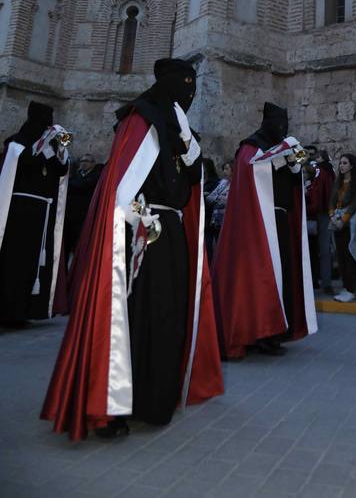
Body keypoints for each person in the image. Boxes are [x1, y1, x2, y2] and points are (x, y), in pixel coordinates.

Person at [41, 58, 223, 440]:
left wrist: (187, 137)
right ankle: (115, 405)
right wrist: (147, 219)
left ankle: (154, 399)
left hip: (170, 234)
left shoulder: (174, 125)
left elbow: (192, 174)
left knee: (166, 316)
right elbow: (123, 193)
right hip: (143, 237)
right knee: (137, 317)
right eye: (184, 84)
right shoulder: (143, 122)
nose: (189, 92)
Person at [211, 102, 317, 359]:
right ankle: (257, 334)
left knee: (282, 277)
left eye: (286, 124)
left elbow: (305, 170)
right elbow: (251, 174)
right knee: (261, 279)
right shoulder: (251, 147)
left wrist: (297, 163)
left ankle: (275, 333)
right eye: (279, 124)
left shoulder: (286, 145)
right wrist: (277, 161)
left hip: (280, 221)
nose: (282, 129)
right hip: (257, 225)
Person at [0, 101, 70, 325]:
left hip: (43, 211)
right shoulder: (16, 142)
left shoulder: (49, 145)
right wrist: (44, 149)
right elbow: (25, 162)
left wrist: (59, 149)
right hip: (19, 212)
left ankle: (27, 310)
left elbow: (61, 170)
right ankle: (7, 310)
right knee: (15, 262)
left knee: (34, 264)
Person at [329, 153, 356, 303]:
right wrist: (332, 216)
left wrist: (343, 220)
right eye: (340, 163)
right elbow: (331, 200)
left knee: (350, 256)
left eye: (344, 163)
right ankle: (345, 286)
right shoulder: (338, 181)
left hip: (350, 222)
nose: (341, 166)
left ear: (351, 165)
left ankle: (351, 289)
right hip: (337, 221)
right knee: (341, 255)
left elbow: (355, 202)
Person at [64, 154, 104, 262]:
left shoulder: (95, 176)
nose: (83, 163)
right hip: (71, 217)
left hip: (85, 216)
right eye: (82, 161)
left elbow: (86, 186)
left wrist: (75, 186)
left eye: (86, 161)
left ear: (92, 163)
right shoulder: (75, 176)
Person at [312, 150, 335, 295]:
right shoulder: (330, 172)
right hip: (325, 212)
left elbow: (318, 195)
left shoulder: (319, 172)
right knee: (325, 250)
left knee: (322, 249)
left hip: (319, 213)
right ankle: (326, 281)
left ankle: (323, 281)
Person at [206, 160, 233, 260]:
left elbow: (230, 200)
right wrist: (219, 199)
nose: (224, 172)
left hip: (229, 221)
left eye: (227, 169)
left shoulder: (237, 183)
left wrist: (220, 199)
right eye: (224, 169)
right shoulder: (222, 183)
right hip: (217, 221)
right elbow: (210, 198)